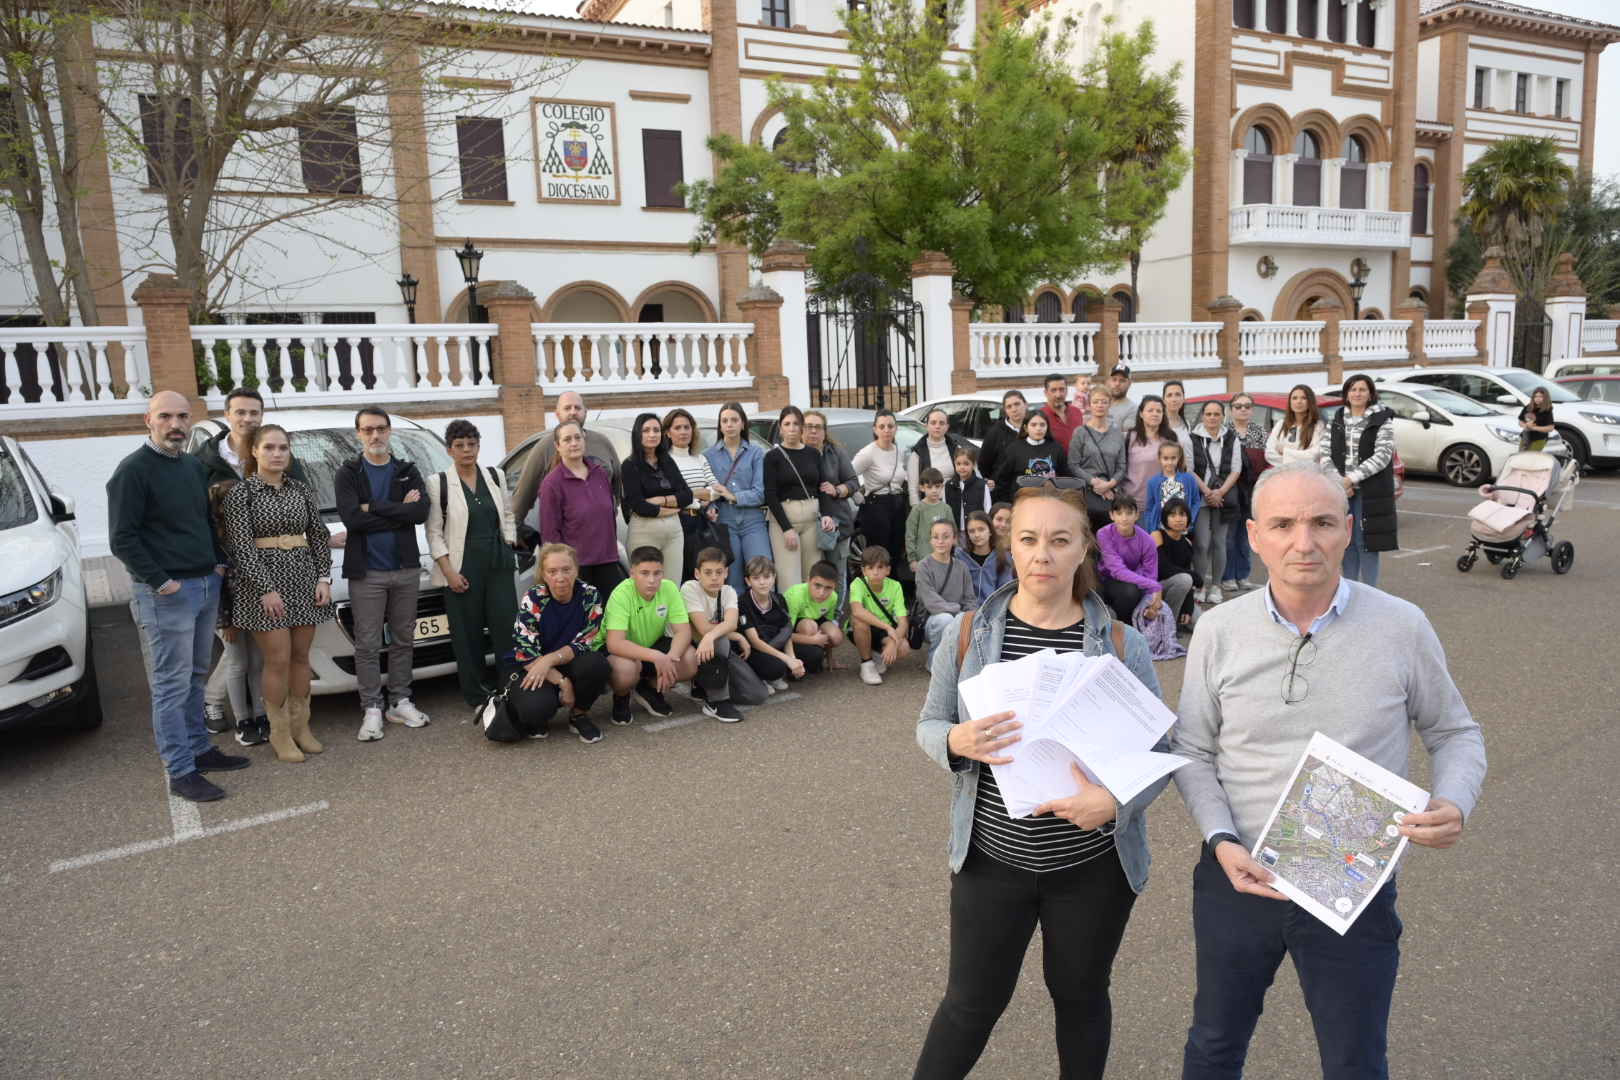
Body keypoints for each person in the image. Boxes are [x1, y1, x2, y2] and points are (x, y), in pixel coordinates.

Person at [1171, 461, 1487, 1080]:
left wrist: (1454, 801)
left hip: (1352, 883)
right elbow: (1193, 748)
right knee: (1213, 1047)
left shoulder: (1401, 625)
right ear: (1255, 535)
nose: (1303, 542)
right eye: (1283, 525)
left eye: (1320, 523)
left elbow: (1454, 731)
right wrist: (1220, 839)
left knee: (1354, 1060)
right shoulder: (1218, 630)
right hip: (1239, 875)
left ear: (1348, 529)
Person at [912, 484, 1170, 1080]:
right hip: (990, 864)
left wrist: (1113, 799)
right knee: (970, 1005)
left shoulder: (1121, 644)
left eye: (1060, 541)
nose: (1042, 556)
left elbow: (1160, 748)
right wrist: (954, 741)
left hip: (1091, 870)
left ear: (1085, 548)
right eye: (1028, 540)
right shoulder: (971, 635)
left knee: (1080, 998)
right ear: (1010, 544)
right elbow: (929, 722)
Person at [109, 391, 249, 802]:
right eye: (165, 416)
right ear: (147, 421)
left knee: (193, 675)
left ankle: (200, 749)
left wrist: (217, 561)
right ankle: (181, 769)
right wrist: (160, 581)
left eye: (182, 417)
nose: (175, 424)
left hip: (205, 582)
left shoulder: (190, 465)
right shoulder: (132, 471)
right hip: (166, 593)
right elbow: (122, 537)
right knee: (170, 684)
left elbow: (204, 522)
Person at [194, 386, 313, 747]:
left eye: (253, 412)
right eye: (240, 412)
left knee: (270, 656)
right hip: (226, 569)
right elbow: (202, 518)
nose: (247, 418)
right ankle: (239, 715)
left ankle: (277, 721)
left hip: (284, 571)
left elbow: (304, 517)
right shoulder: (205, 461)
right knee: (236, 651)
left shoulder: (280, 468)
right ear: (227, 414)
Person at [218, 424, 335, 763]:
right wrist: (266, 589)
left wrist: (323, 578)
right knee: (278, 659)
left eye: (283, 447)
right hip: (262, 586)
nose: (277, 454)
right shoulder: (242, 493)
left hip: (303, 578)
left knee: (301, 657)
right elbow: (241, 546)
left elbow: (318, 534)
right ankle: (280, 733)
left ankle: (302, 727)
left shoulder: (301, 489)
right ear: (254, 451)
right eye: (269, 447)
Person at [335, 406, 432, 742]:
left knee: (404, 638)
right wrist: (397, 510)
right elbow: (352, 520)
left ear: (390, 431)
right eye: (367, 430)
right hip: (368, 572)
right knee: (368, 643)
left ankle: (400, 700)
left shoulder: (406, 469)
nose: (375, 435)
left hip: (405, 568)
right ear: (359, 434)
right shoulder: (348, 473)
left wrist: (373, 506)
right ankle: (372, 707)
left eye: (380, 428)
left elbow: (419, 512)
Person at [426, 419, 519, 711]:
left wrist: (509, 543)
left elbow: (507, 513)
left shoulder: (495, 475)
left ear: (479, 446)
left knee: (506, 629)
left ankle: (511, 688)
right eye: (460, 445)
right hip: (462, 565)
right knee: (467, 635)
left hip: (497, 560)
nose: (467, 450)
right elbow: (434, 532)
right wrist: (449, 572)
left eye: (472, 444)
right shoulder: (438, 482)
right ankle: (479, 696)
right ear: (449, 449)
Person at [509, 543, 613, 744]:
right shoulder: (534, 597)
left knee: (597, 665)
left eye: (567, 569)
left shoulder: (590, 595)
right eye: (552, 571)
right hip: (535, 665)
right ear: (543, 574)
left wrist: (550, 659)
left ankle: (579, 714)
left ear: (576, 570)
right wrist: (562, 682)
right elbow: (525, 651)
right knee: (534, 709)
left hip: (568, 661)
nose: (560, 577)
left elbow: (586, 642)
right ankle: (542, 714)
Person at [602, 545, 699, 724]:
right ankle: (621, 696)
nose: (652, 580)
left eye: (657, 573)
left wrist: (671, 657)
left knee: (690, 659)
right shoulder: (621, 595)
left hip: (651, 645)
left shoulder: (669, 588)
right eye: (644, 573)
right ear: (632, 573)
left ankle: (648, 687)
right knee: (627, 670)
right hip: (623, 652)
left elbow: (683, 632)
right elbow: (614, 643)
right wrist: (657, 657)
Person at [205, 480, 266, 747]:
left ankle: (262, 716)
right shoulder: (215, 539)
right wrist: (226, 621)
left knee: (256, 663)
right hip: (228, 614)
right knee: (237, 662)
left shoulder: (251, 531)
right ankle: (243, 720)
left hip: (253, 608)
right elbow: (218, 586)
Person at [511, 390, 621, 533]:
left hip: (603, 533)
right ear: (557, 414)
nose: (573, 412)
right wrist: (513, 532)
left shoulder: (602, 443)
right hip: (565, 538)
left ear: (585, 412)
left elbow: (617, 485)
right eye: (567, 408)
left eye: (577, 408)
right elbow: (524, 494)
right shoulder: (544, 448)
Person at [540, 419, 624, 599]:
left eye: (577, 437)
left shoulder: (600, 473)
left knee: (613, 618)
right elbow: (550, 534)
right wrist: (563, 570)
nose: (574, 443)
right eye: (567, 439)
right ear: (557, 446)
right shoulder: (552, 484)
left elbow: (609, 514)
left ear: (584, 440)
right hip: (577, 568)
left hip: (608, 560)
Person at [1330, 374, 1397, 587]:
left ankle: (1370, 592)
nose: (1357, 394)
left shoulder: (1382, 420)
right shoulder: (1338, 419)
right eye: (1353, 389)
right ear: (1346, 394)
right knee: (1346, 542)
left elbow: (1383, 456)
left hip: (1370, 492)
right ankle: (1348, 588)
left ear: (1370, 394)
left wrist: (1351, 479)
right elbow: (1326, 454)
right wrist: (1340, 482)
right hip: (1343, 491)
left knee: (1366, 542)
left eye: (1362, 390)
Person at [680, 546, 755, 722]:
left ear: (726, 572)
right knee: (720, 640)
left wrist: (713, 635)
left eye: (719, 572)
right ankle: (717, 702)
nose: (714, 577)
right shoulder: (689, 588)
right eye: (708, 572)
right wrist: (732, 635)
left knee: (756, 695)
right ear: (697, 574)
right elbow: (703, 628)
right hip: (689, 646)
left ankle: (704, 684)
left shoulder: (728, 591)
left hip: (709, 643)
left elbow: (731, 623)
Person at [765, 405, 835, 590]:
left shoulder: (813, 454)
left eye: (796, 423)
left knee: (812, 576)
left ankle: (810, 619)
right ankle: (791, 618)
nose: (792, 428)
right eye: (787, 424)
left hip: (812, 520)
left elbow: (823, 487)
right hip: (785, 521)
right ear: (780, 428)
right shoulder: (772, 457)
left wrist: (826, 514)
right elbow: (770, 495)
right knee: (790, 579)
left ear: (802, 427)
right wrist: (787, 529)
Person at [704, 402, 771, 594]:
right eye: (724, 421)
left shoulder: (756, 452)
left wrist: (732, 496)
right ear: (720, 425)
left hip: (753, 520)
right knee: (732, 577)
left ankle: (765, 619)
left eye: (734, 420)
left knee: (762, 571)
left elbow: (760, 493)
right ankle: (738, 621)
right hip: (725, 521)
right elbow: (709, 493)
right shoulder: (708, 456)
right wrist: (711, 507)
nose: (729, 424)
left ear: (743, 424)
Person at [621, 412, 691, 579]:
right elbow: (639, 506)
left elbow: (687, 496)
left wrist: (662, 500)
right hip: (644, 531)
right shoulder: (630, 465)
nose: (652, 434)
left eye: (656, 430)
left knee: (672, 586)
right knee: (646, 587)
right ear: (637, 434)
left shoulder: (668, 461)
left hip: (674, 532)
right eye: (646, 430)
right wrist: (673, 508)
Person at [804, 409, 860, 610]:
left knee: (836, 573)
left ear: (824, 431)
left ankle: (835, 615)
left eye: (817, 427)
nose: (813, 431)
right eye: (808, 427)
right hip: (807, 524)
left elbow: (853, 482)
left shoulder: (835, 453)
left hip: (837, 524)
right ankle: (813, 614)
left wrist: (837, 490)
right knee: (811, 573)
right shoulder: (797, 454)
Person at [1190, 401, 1242, 606]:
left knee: (1220, 542)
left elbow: (1236, 469)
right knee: (1202, 543)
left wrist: (1220, 492)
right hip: (1201, 495)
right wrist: (1207, 492)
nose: (1212, 418)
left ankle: (1216, 586)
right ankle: (1200, 585)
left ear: (1223, 416)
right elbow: (1189, 468)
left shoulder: (1231, 438)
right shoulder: (1192, 438)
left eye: (1216, 414)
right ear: (1203, 416)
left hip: (1223, 496)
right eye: (1209, 414)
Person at [853, 409, 911, 587]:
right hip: (876, 506)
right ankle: (876, 590)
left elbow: (905, 476)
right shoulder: (868, 453)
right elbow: (848, 475)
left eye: (890, 426)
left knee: (895, 550)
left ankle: (893, 590)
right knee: (879, 552)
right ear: (875, 429)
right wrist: (857, 497)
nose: (887, 430)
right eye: (882, 426)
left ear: (896, 429)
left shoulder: (900, 451)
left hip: (897, 504)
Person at [663, 407, 721, 584]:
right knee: (683, 577)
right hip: (678, 523)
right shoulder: (666, 461)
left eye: (687, 427)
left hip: (701, 523)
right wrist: (698, 496)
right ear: (668, 432)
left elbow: (716, 490)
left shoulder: (699, 459)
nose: (683, 432)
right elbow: (671, 496)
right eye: (677, 427)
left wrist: (699, 499)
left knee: (703, 577)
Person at [915, 518, 978, 669]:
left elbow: (970, 599)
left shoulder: (962, 567)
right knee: (945, 619)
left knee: (972, 620)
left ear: (954, 539)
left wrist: (969, 618)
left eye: (946, 536)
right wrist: (958, 612)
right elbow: (932, 603)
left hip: (956, 618)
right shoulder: (924, 566)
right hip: (930, 622)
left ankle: (958, 662)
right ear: (930, 540)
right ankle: (934, 663)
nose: (940, 541)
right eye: (935, 537)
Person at [737, 555, 807, 690]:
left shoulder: (779, 599)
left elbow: (785, 631)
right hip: (754, 649)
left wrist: (792, 657)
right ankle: (760, 678)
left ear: (774, 578)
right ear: (748, 581)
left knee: (812, 655)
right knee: (777, 667)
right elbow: (754, 641)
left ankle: (777, 672)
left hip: (774, 643)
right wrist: (787, 660)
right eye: (756, 578)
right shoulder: (743, 602)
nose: (762, 582)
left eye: (767, 577)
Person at [1222, 393, 1267, 595]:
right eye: (1238, 406)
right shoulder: (1225, 432)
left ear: (1252, 409)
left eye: (1247, 406)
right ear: (1231, 410)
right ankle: (1228, 576)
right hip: (1230, 488)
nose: (1242, 410)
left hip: (1252, 489)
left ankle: (1243, 575)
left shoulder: (1259, 432)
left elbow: (1266, 459)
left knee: (1246, 533)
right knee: (1229, 535)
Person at [849, 544, 912, 686]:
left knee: (903, 647)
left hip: (883, 631)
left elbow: (903, 622)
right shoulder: (857, 584)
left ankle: (877, 656)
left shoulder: (895, 586)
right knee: (859, 620)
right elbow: (857, 611)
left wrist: (893, 642)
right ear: (863, 571)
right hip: (863, 628)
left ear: (888, 570)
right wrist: (888, 628)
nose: (875, 572)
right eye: (870, 568)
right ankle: (866, 664)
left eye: (880, 567)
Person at [1095, 494, 1163, 625]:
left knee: (1131, 592)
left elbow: (1151, 574)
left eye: (1129, 513)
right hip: (1103, 580)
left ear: (1137, 515)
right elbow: (1117, 570)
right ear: (1111, 515)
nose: (1124, 518)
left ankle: (1127, 627)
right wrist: (1154, 586)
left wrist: (1152, 601)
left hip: (1129, 582)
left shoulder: (1147, 540)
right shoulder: (1103, 534)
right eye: (1119, 513)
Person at [1069, 389, 1128, 533]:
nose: (1100, 405)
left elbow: (1122, 466)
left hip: (1111, 494)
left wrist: (1109, 484)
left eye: (1104, 402)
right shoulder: (1080, 432)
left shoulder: (1117, 434)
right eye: (1096, 402)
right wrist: (1094, 483)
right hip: (1087, 493)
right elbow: (1073, 464)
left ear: (1110, 404)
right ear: (1090, 404)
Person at [988, 410, 1070, 496]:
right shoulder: (1014, 449)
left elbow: (1065, 476)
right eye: (1033, 425)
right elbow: (1002, 479)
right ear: (1026, 428)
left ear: (1047, 427)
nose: (1038, 428)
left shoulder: (1056, 448)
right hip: (1022, 500)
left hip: (1050, 499)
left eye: (1042, 425)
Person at [784, 560, 845, 675]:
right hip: (795, 624)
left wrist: (829, 658)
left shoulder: (833, 597)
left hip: (816, 618)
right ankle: (803, 661)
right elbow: (785, 634)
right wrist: (813, 640)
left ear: (834, 587)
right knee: (809, 627)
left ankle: (820, 658)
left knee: (836, 636)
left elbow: (828, 624)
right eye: (817, 585)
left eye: (828, 588)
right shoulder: (796, 596)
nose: (822, 593)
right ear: (808, 580)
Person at [1153, 498, 1199, 631]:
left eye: (1182, 514)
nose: (1178, 519)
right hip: (1155, 590)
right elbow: (1162, 569)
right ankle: (1167, 626)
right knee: (1185, 579)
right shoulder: (1157, 535)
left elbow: (1187, 576)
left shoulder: (1187, 543)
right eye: (1173, 515)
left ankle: (1176, 618)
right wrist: (1194, 576)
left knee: (1199, 622)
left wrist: (1188, 606)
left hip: (1177, 590)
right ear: (1165, 518)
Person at [908, 406, 967, 506]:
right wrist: (918, 511)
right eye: (933, 423)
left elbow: (967, 475)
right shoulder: (918, 453)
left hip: (955, 503)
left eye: (941, 423)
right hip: (929, 506)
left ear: (947, 427)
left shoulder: (956, 449)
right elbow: (913, 488)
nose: (937, 426)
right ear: (926, 426)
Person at [1142, 441, 1202, 536]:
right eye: (1165, 458)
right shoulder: (1153, 482)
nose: (1169, 462)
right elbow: (1149, 508)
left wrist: (1190, 520)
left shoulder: (1189, 479)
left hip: (1183, 529)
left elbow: (1196, 502)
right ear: (1159, 459)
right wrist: (1151, 529)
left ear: (1178, 458)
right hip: (1161, 529)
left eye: (1173, 458)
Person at [976, 390, 1028, 490]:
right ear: (1005, 410)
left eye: (1017, 404)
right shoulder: (994, 433)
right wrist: (996, 481)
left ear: (1025, 404)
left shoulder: (1036, 428)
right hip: (1004, 492)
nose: (1014, 409)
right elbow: (983, 465)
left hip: (1031, 489)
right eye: (1009, 406)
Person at [1265, 384, 1327, 467]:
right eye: (1294, 398)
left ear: (1310, 401)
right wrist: (1300, 457)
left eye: (1303, 398)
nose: (1298, 401)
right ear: (1290, 402)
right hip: (1282, 474)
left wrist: (1285, 451)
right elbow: (1269, 454)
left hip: (1308, 476)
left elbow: (1313, 456)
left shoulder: (1318, 426)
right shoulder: (1281, 424)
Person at [905, 468, 954, 572]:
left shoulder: (946, 509)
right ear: (922, 488)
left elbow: (953, 533)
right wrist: (912, 559)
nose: (934, 490)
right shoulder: (917, 509)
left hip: (944, 558)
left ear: (942, 486)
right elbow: (910, 535)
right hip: (923, 559)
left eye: (937, 487)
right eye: (929, 487)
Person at [1125, 395, 1172, 502]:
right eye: (1150, 410)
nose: (1155, 414)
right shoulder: (1129, 437)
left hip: (1163, 503)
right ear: (1141, 414)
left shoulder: (1170, 438)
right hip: (1132, 503)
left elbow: (1180, 469)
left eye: (1159, 411)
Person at [959, 511, 1013, 603]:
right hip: (966, 610)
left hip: (994, 610)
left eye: (981, 529)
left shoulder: (1003, 556)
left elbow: (1005, 590)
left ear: (990, 531)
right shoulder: (960, 556)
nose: (977, 535)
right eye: (971, 531)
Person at [943, 445, 991, 536]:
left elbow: (987, 509)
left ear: (973, 465)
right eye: (958, 464)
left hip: (976, 532)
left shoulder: (981, 485)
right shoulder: (949, 486)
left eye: (966, 464)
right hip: (954, 532)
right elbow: (945, 510)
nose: (962, 467)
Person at [1039, 372, 1086, 453]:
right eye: (1053, 390)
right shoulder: (1040, 416)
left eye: (1062, 389)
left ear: (1067, 391)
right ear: (1046, 393)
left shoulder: (1077, 412)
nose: (1058, 395)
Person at [1161, 380, 1196, 462]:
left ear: (1183, 398)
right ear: (1163, 400)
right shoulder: (1159, 423)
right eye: (1169, 395)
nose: (1174, 399)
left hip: (1187, 473)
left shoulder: (1186, 423)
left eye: (1178, 394)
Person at [1518, 387, 1555, 451]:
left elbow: (1550, 428)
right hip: (1525, 437)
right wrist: (1526, 425)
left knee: (1532, 458)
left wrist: (1533, 428)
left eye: (1540, 396)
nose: (1537, 398)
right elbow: (1520, 421)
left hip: (1539, 439)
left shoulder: (1547, 410)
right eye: (1535, 396)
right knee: (1521, 456)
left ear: (1545, 398)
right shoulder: (1528, 407)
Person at [1104, 364, 1137, 430]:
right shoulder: (1098, 403)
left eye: (1122, 380)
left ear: (1129, 384)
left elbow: (1126, 436)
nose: (1117, 384)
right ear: (1108, 382)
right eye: (1114, 379)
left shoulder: (1132, 409)